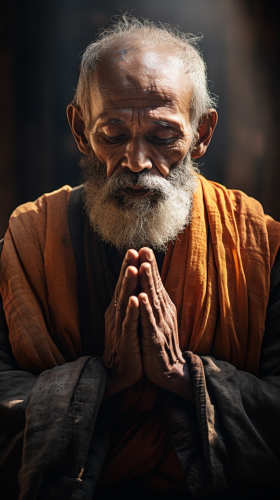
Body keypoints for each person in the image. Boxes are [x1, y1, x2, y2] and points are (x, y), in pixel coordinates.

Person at [1, 15, 280, 500]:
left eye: (163, 135)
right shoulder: (28, 242)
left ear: (203, 133)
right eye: (113, 134)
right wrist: (104, 381)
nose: (136, 161)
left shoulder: (258, 244)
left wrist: (181, 376)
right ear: (79, 129)